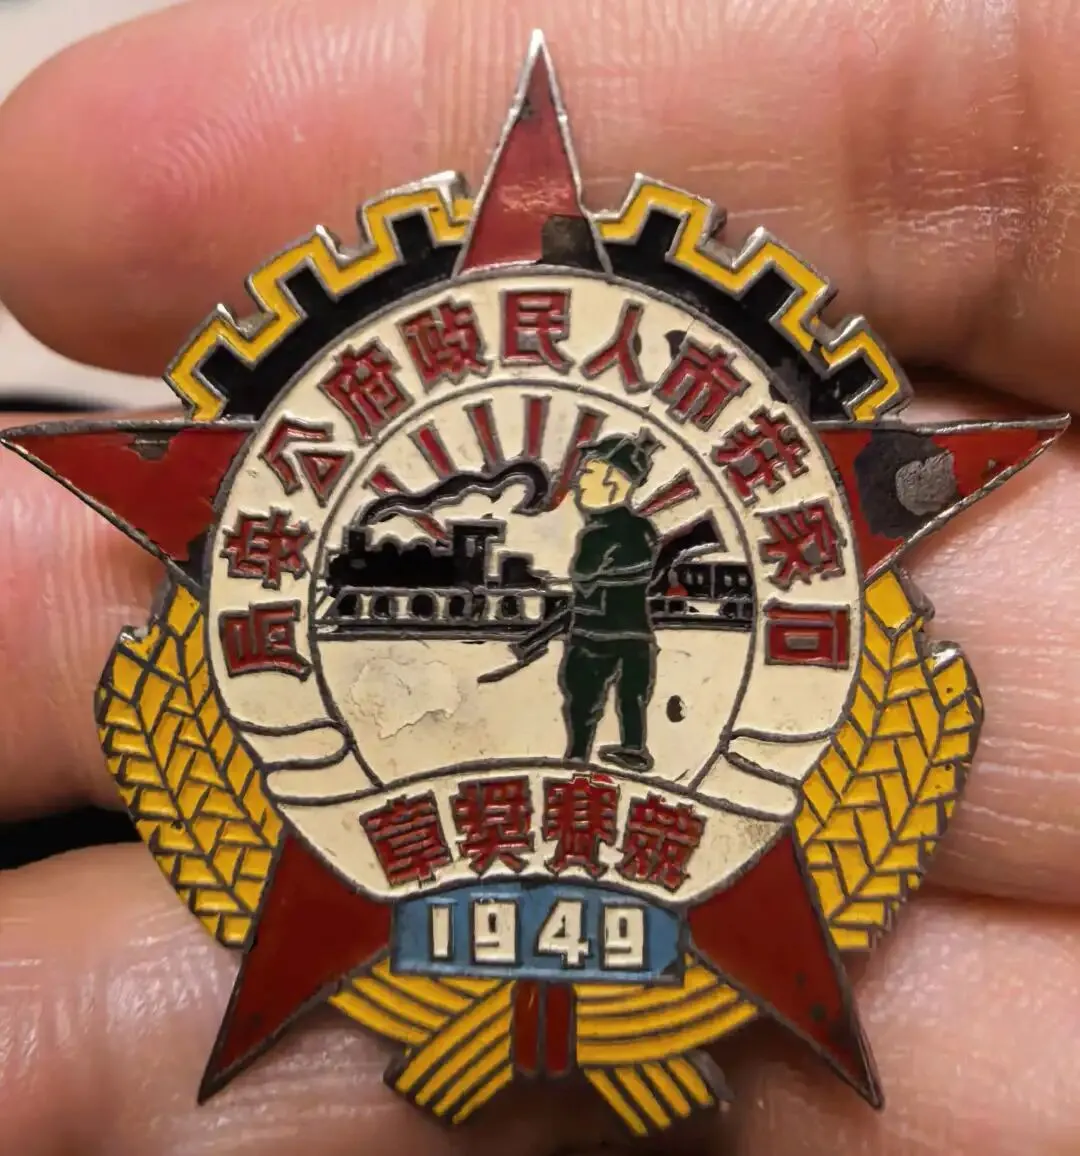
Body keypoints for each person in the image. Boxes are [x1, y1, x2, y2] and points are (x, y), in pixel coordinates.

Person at [0, 2, 1078, 1154]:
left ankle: (612, 757)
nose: (593, 485)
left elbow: (626, 580)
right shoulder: (550, 527)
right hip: (574, 669)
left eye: (606, 476)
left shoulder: (632, 538)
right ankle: (586, 752)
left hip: (622, 646)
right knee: (579, 699)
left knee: (613, 704)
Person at [561, 433, 659, 770]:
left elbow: (582, 575)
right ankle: (633, 748)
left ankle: (577, 756)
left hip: (594, 635)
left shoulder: (597, 534)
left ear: (614, 482)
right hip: (637, 635)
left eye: (588, 472)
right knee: (632, 697)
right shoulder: (644, 529)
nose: (578, 482)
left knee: (583, 701)